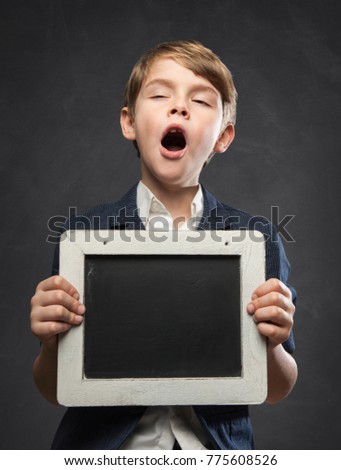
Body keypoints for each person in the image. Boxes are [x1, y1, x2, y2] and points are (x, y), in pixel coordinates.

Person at [30, 40, 297, 450]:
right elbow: (54, 388)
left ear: (223, 136)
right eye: (159, 95)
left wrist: (274, 341)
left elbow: (277, 387)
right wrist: (51, 342)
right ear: (129, 122)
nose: (179, 108)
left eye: (202, 100)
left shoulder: (257, 239)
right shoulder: (84, 236)